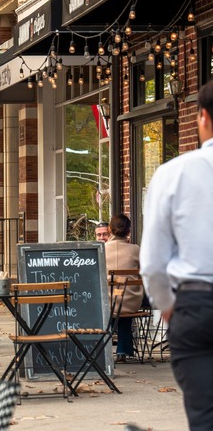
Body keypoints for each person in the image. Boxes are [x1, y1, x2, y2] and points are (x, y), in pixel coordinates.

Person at [141, 81, 213, 429]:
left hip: (196, 306)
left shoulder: (173, 174)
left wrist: (168, 305)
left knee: (205, 414)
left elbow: (153, 262)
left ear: (202, 118)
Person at [104, 214, 142, 362]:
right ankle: (122, 351)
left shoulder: (102, 249)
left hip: (107, 301)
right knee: (123, 307)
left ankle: (105, 347)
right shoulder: (136, 249)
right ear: (128, 231)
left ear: (109, 229)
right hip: (131, 301)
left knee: (113, 305)